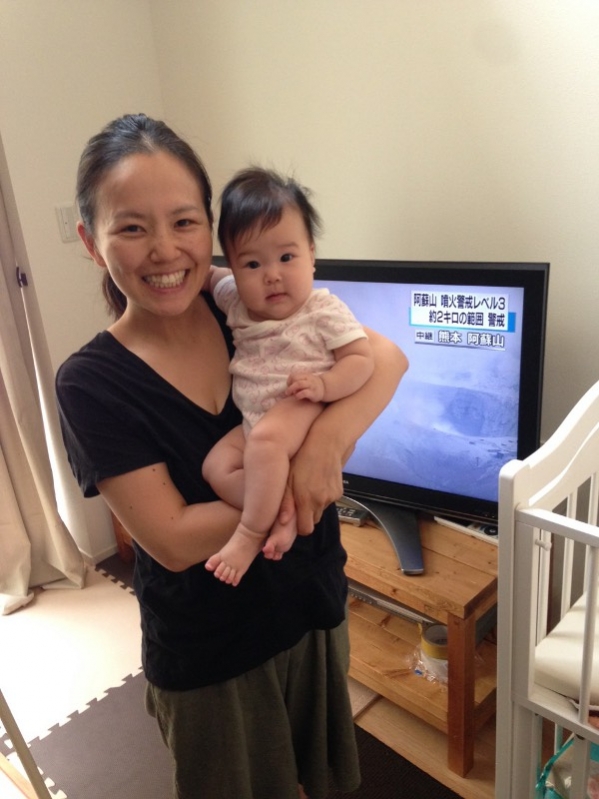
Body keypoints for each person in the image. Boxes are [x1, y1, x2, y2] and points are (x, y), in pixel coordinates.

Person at [55, 113, 408, 799]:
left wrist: (323, 446)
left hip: (310, 601)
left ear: (209, 230)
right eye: (132, 228)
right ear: (91, 243)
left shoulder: (242, 297)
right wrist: (293, 485)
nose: (165, 250)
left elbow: (386, 357)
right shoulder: (91, 382)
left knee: (321, 782)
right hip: (212, 649)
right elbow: (174, 539)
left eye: (184, 222)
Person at [203, 167, 375, 587]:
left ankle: (249, 534)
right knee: (217, 467)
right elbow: (206, 276)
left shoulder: (322, 310)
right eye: (252, 263)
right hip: (255, 418)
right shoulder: (235, 302)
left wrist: (324, 386)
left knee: (265, 442)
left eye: (286, 257)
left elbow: (361, 359)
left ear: (311, 255)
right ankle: (283, 505)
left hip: (301, 404)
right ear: (234, 269)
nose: (272, 275)